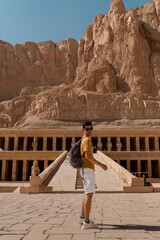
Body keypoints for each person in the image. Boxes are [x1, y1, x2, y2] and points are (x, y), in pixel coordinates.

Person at [80, 121, 108, 229]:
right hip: (88, 169)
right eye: (87, 129)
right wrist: (101, 165)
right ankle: (86, 222)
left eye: (91, 128)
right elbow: (88, 157)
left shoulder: (83, 140)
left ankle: (82, 217)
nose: (89, 130)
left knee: (87, 193)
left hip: (84, 169)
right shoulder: (86, 140)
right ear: (83, 130)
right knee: (89, 194)